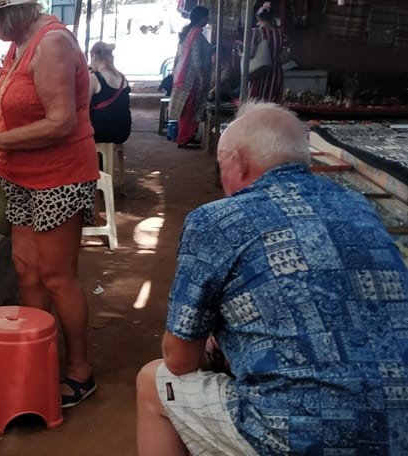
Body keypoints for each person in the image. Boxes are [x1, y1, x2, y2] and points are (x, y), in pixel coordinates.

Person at [135, 101, 408, 455]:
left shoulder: (216, 220)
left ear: (240, 163)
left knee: (155, 382)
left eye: (222, 167)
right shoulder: (360, 207)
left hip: (298, 436)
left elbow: (180, 360)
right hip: (397, 431)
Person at [0, 0, 100, 408]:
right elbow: (18, 107)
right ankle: (34, 357)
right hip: (19, 175)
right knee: (28, 272)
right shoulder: (18, 42)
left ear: (12, 11)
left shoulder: (52, 42)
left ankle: (79, 371)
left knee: (57, 276)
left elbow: (61, 122)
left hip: (58, 175)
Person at [168, 6, 210, 149]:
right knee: (190, 108)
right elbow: (196, 57)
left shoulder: (187, 32)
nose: (208, 20)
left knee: (186, 108)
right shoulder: (196, 34)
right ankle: (185, 137)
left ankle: (184, 136)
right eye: (206, 17)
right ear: (201, 18)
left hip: (183, 75)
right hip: (192, 78)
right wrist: (201, 76)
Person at [88, 42, 131, 145]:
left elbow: (83, 108)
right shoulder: (122, 77)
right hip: (123, 133)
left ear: (93, 56)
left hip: (101, 133)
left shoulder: (94, 78)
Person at [248, 2, 289, 103]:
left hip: (259, 75)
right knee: (272, 105)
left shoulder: (256, 32)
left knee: (256, 106)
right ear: (272, 18)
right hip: (276, 76)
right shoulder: (281, 34)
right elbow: (285, 58)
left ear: (258, 18)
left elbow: (251, 53)